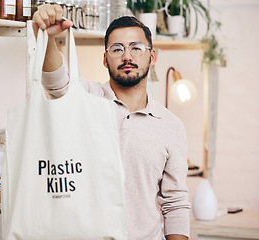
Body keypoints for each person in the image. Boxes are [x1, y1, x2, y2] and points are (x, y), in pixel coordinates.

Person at [32, 4, 191, 240]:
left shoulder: (171, 125)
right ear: (105, 59)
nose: (127, 56)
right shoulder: (86, 98)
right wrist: (46, 36)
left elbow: (175, 203)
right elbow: (56, 83)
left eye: (136, 48)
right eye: (117, 49)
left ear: (152, 56)